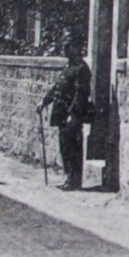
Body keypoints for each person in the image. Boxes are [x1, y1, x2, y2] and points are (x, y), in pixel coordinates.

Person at [40, 41, 92, 190]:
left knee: (72, 147)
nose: (65, 48)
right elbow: (58, 87)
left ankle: (74, 180)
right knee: (64, 146)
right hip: (62, 111)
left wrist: (73, 113)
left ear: (77, 48)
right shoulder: (69, 66)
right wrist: (44, 101)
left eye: (69, 45)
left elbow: (80, 93)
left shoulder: (81, 69)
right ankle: (68, 176)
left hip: (71, 113)